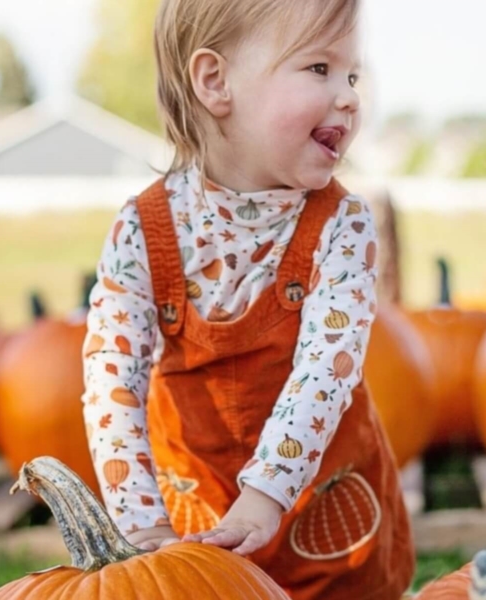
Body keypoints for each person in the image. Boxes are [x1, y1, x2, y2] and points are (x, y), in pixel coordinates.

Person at [81, 0, 414, 597]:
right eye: (319, 68)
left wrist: (266, 495)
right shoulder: (141, 232)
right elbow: (111, 383)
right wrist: (143, 532)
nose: (349, 97)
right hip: (198, 534)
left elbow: (325, 372)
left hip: (325, 528)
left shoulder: (342, 227)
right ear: (216, 82)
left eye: (352, 75)